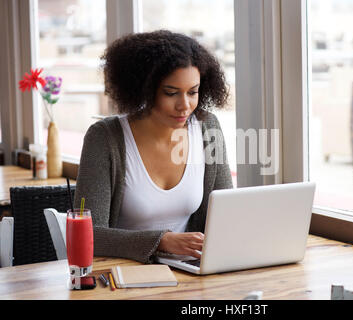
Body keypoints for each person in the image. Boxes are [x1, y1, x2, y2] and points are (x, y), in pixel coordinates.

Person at [74, 30, 233, 264]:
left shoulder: (208, 128)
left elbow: (226, 212)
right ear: (145, 90)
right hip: (124, 278)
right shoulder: (105, 138)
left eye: (193, 92)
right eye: (171, 93)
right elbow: (88, 234)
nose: (185, 105)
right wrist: (161, 241)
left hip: (189, 274)